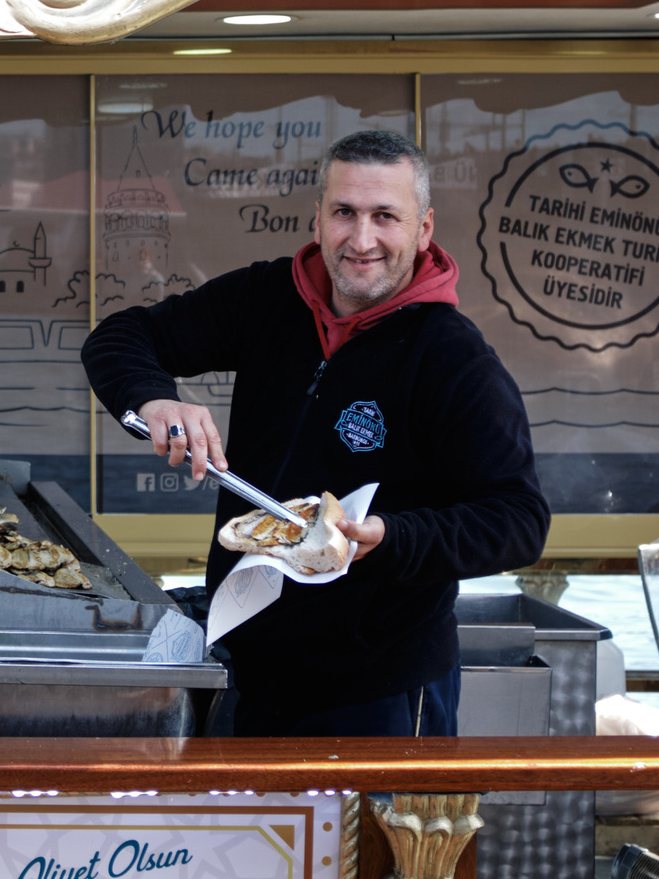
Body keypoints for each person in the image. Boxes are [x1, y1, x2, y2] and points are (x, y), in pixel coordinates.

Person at [80, 129, 548, 737]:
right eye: (344, 213)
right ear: (318, 217)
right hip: (250, 671)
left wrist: (392, 538)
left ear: (424, 228)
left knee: (367, 840)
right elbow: (119, 337)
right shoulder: (268, 297)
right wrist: (155, 398)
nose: (362, 239)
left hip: (381, 690)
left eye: (386, 217)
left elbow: (518, 520)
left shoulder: (452, 358)